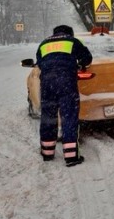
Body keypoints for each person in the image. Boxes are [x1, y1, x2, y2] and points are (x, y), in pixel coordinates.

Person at [35, 25, 92, 166]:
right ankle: (71, 157)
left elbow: (40, 63)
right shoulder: (73, 41)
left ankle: (47, 153)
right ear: (70, 33)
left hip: (47, 85)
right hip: (66, 83)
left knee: (48, 117)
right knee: (69, 117)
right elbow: (87, 58)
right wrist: (79, 64)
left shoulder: (44, 43)